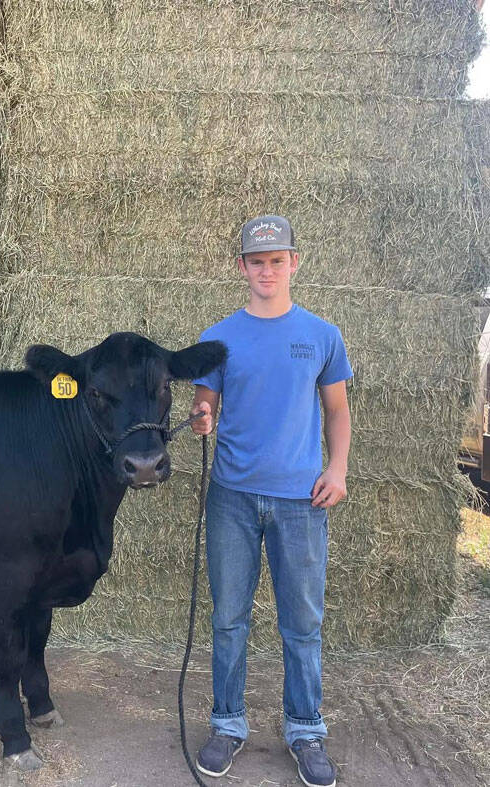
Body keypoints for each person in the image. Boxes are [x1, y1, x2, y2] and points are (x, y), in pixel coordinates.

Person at [189, 215, 352, 787]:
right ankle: (227, 723)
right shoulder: (220, 337)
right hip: (232, 497)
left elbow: (336, 410)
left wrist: (337, 468)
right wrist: (201, 417)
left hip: (301, 502)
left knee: (302, 623)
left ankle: (305, 730)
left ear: (293, 263)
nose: (266, 270)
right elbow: (204, 403)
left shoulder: (322, 335)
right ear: (242, 267)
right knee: (229, 619)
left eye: (276, 260)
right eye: (256, 261)